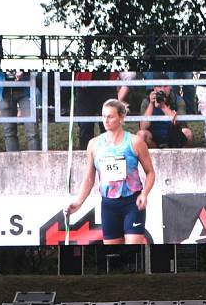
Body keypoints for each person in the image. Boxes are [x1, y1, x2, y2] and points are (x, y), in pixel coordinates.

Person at [65, 98, 155, 245]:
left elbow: (150, 172)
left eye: (110, 116)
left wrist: (144, 194)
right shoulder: (94, 144)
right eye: (103, 116)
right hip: (108, 205)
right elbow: (89, 178)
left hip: (132, 203)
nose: (106, 120)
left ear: (121, 117)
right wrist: (78, 202)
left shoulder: (135, 142)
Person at [138, 84, 193, 148]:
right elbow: (143, 127)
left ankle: (182, 157)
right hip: (153, 138)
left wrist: (163, 106)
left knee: (188, 133)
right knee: (141, 134)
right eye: (159, 86)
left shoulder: (177, 100)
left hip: (172, 137)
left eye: (165, 86)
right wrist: (151, 104)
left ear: (170, 87)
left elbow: (180, 123)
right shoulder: (146, 101)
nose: (162, 90)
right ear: (154, 88)